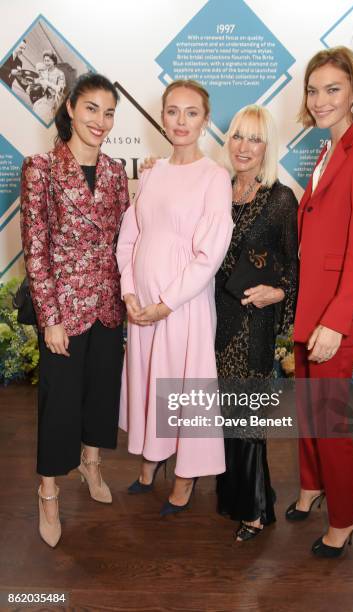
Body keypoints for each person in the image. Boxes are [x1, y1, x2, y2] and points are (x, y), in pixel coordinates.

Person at [286, 46, 353, 557]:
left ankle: (345, 517)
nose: (321, 99)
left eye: (332, 88)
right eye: (314, 89)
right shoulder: (329, 151)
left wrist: (336, 321)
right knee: (308, 409)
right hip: (312, 305)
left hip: (336, 314)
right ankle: (311, 487)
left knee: (328, 419)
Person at [20, 73, 129, 547]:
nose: (100, 121)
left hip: (108, 304)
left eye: (108, 112)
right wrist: (50, 318)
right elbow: (35, 250)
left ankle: (92, 464)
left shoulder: (115, 170)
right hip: (64, 310)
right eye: (91, 109)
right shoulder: (40, 168)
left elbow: (127, 242)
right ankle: (48, 493)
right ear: (70, 108)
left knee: (102, 395)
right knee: (58, 405)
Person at [116, 79, 233, 515]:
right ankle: (151, 460)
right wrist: (130, 292)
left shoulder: (214, 177)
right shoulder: (151, 172)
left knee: (184, 388)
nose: (180, 121)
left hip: (182, 307)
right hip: (141, 306)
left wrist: (166, 302)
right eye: (172, 111)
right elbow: (129, 240)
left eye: (191, 112)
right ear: (162, 116)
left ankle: (186, 475)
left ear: (205, 120)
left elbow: (210, 254)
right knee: (150, 383)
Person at [214, 105, 298, 541]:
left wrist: (279, 292)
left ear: (268, 145)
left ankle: (255, 510)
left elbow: (293, 264)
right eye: (238, 136)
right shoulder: (219, 188)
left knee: (246, 419)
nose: (244, 147)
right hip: (215, 320)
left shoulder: (280, 199)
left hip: (253, 324)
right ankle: (235, 496)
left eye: (255, 138)